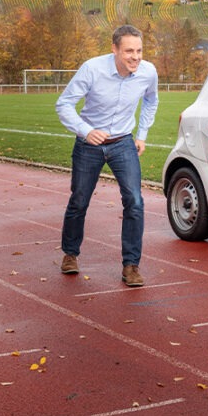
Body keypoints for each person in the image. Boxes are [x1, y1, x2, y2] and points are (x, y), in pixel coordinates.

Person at [55, 24, 159, 286]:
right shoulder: (92, 69)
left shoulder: (148, 73)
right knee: (79, 200)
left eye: (139, 51)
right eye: (128, 51)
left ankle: (131, 265)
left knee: (134, 200)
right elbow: (64, 104)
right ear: (114, 49)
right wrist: (85, 130)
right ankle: (70, 253)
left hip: (123, 142)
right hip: (88, 144)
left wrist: (142, 134)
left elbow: (151, 100)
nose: (135, 57)